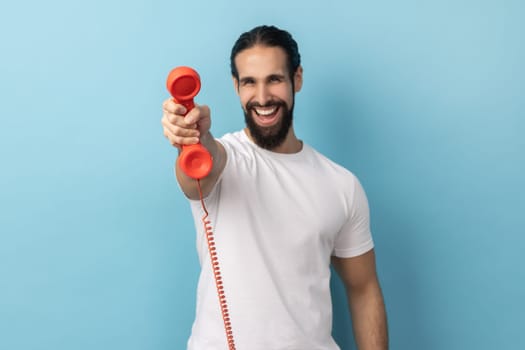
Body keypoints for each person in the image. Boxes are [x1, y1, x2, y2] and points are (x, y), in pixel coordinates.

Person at [161, 25, 388, 350]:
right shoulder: (223, 159)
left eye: (275, 79)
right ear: (236, 87)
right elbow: (200, 170)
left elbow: (364, 289)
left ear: (296, 78)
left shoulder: (342, 185)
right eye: (250, 82)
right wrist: (193, 137)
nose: (263, 97)